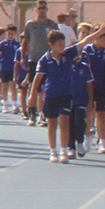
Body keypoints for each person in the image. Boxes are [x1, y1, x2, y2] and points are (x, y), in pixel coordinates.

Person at [31, 30, 75, 163]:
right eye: (60, 44)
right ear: (51, 45)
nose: (63, 47)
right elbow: (37, 78)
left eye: (64, 44)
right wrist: (32, 95)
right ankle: (53, 150)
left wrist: (101, 31)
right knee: (52, 123)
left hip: (66, 94)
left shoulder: (68, 55)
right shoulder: (45, 60)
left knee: (64, 120)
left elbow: (84, 42)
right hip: (51, 95)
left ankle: (63, 150)